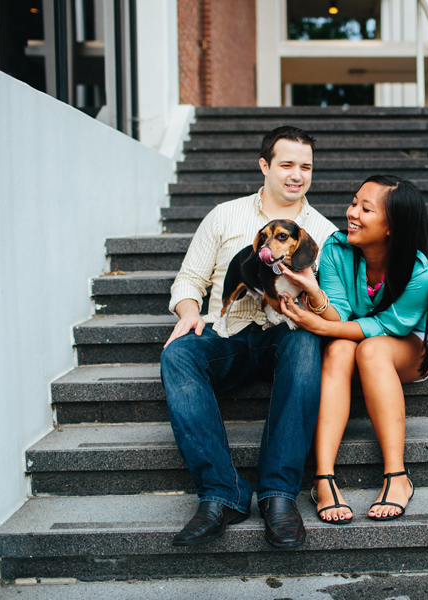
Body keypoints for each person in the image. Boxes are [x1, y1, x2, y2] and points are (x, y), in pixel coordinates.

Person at [161, 126, 338, 548]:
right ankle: (223, 494)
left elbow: (333, 310)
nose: (297, 175)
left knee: (306, 343)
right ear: (265, 165)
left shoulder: (324, 234)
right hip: (229, 334)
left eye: (306, 167)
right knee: (177, 356)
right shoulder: (225, 215)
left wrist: (311, 296)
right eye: (287, 164)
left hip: (285, 337)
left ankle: (279, 495)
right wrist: (188, 313)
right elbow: (190, 279)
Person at [279, 174, 428, 524]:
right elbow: (339, 311)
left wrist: (322, 326)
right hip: (356, 340)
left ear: (392, 226)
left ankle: (397, 476)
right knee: (341, 348)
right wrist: (314, 291)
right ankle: (323, 478)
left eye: (365, 208)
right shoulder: (339, 249)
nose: (352, 212)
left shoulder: (419, 269)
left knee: (370, 349)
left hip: (411, 345)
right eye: (354, 202)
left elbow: (391, 326)